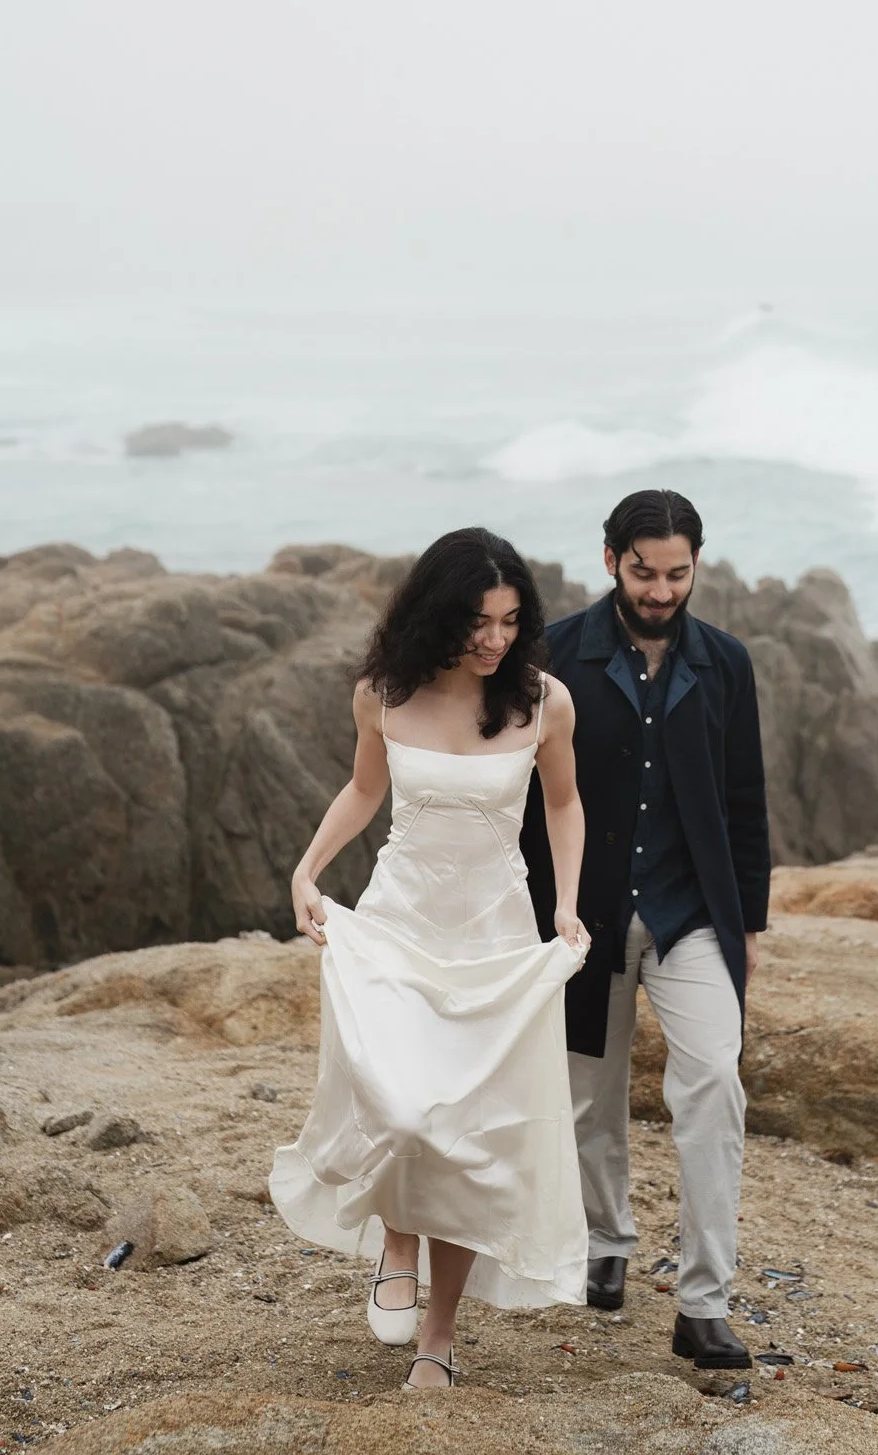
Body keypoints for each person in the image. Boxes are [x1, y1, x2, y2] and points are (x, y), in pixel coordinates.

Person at [270, 528, 591, 1390]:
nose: (494, 640)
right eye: (478, 621)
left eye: (510, 621)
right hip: (399, 928)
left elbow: (563, 804)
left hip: (493, 939)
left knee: (467, 1144)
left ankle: (438, 1340)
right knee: (403, 1113)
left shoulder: (541, 702)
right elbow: (365, 789)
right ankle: (396, 1241)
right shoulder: (383, 694)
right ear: (437, 613)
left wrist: (564, 903)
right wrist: (307, 869)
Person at [520, 488, 771, 1373]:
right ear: (610, 562)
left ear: (696, 563)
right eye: (643, 571)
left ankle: (703, 1303)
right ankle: (604, 1246)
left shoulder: (727, 663)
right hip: (580, 913)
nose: (661, 590)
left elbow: (745, 799)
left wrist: (748, 924)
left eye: (676, 572)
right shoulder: (554, 654)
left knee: (713, 1085)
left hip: (693, 910)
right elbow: (526, 795)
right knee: (590, 1097)